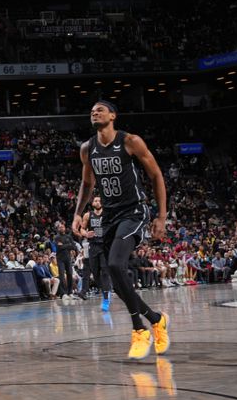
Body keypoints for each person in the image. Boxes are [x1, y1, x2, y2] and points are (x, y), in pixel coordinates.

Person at [73, 100, 169, 360]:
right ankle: (156, 319)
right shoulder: (87, 149)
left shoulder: (130, 141)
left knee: (115, 265)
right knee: (117, 283)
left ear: (113, 115)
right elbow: (86, 183)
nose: (94, 112)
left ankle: (140, 329)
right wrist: (77, 213)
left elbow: (156, 175)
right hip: (110, 217)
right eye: (91, 110)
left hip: (133, 212)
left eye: (100, 109)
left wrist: (161, 215)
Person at [74, 195, 112, 311]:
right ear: (92, 203)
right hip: (93, 246)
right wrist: (85, 234)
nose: (97, 202)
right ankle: (106, 290)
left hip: (104, 246)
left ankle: (106, 298)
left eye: (99, 200)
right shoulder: (87, 215)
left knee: (105, 272)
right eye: (95, 200)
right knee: (95, 273)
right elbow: (81, 229)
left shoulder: (107, 213)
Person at [54, 223, 78, 300]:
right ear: (58, 229)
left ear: (64, 228)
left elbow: (73, 246)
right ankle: (63, 293)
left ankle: (70, 292)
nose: (61, 228)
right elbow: (59, 247)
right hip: (60, 258)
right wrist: (68, 245)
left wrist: (64, 245)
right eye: (60, 227)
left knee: (70, 274)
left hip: (68, 258)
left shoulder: (68, 237)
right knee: (61, 275)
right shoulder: (57, 237)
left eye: (62, 227)